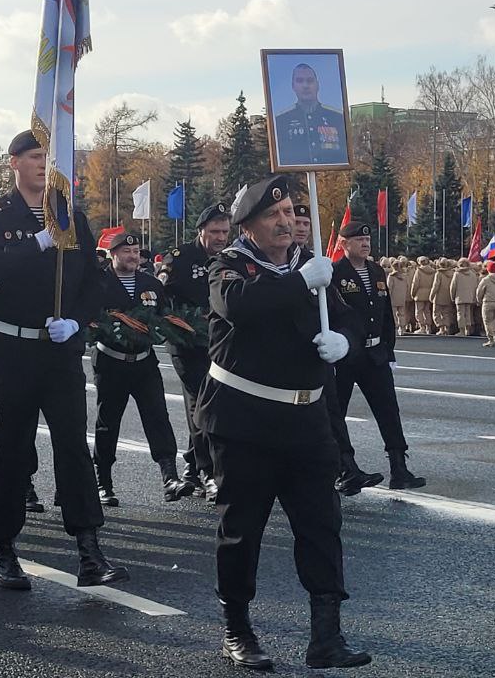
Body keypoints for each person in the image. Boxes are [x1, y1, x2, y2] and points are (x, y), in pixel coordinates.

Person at [197, 175, 370, 670]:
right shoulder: (229, 266)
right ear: (247, 226)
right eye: (272, 215)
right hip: (244, 421)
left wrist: (345, 344)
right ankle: (238, 629)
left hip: (307, 420)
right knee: (242, 530)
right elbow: (239, 307)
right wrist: (300, 283)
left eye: (292, 212)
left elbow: (351, 320)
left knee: (321, 527)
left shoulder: (312, 269)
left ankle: (326, 637)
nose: (286, 221)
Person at [0, 129, 127, 591]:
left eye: (48, 157)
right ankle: (4, 549)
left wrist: (77, 321)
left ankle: (89, 548)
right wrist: (37, 242)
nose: (43, 164)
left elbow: (95, 283)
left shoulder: (71, 217)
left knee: (72, 448)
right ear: (14, 161)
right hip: (11, 348)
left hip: (58, 348)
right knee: (12, 448)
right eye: (35, 156)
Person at [91, 232, 192, 505]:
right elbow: (91, 318)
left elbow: (162, 315)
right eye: (127, 252)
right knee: (108, 422)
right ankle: (104, 481)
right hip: (111, 360)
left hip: (144, 362)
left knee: (158, 415)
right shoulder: (100, 282)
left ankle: (169, 477)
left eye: (136, 252)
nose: (133, 257)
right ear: (113, 255)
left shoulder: (150, 283)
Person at [331, 222, 424, 490]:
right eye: (358, 239)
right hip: (347, 355)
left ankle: (399, 467)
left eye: (366, 240)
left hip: (375, 354)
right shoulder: (336, 273)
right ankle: (344, 469)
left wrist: (388, 348)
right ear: (343, 244)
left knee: (388, 410)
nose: (365, 243)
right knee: (337, 412)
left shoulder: (375, 270)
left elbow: (384, 314)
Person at [159, 202, 230, 500]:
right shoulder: (181, 257)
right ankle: (208, 471)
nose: (220, 237)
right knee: (202, 402)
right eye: (215, 232)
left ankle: (191, 465)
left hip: (218, 342)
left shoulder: (230, 258)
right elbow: (160, 293)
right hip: (186, 342)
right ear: (201, 231)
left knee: (210, 402)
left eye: (225, 231)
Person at [273, 63, 349, 166]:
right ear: (293, 86)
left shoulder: (337, 117)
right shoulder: (281, 121)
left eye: (310, 81)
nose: (305, 86)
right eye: (300, 81)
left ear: (317, 85)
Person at [475, 262, 495, 347]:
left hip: (488, 302)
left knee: (487, 321)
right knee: (494, 320)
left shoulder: (486, 279)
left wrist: (479, 300)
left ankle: (491, 338)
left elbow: (479, 291)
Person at [450, 259, 479, 337]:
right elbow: (475, 286)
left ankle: (461, 331)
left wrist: (452, 296)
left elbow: (453, 287)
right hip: (470, 296)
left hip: (460, 297)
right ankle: (468, 330)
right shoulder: (473, 274)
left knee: (460, 314)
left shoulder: (457, 274)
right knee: (468, 313)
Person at [409, 256, 436, 334]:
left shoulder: (419, 271)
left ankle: (422, 327)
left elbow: (415, 283)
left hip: (419, 294)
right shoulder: (433, 271)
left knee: (419, 311)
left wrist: (412, 293)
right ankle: (428, 327)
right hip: (429, 293)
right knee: (427, 311)